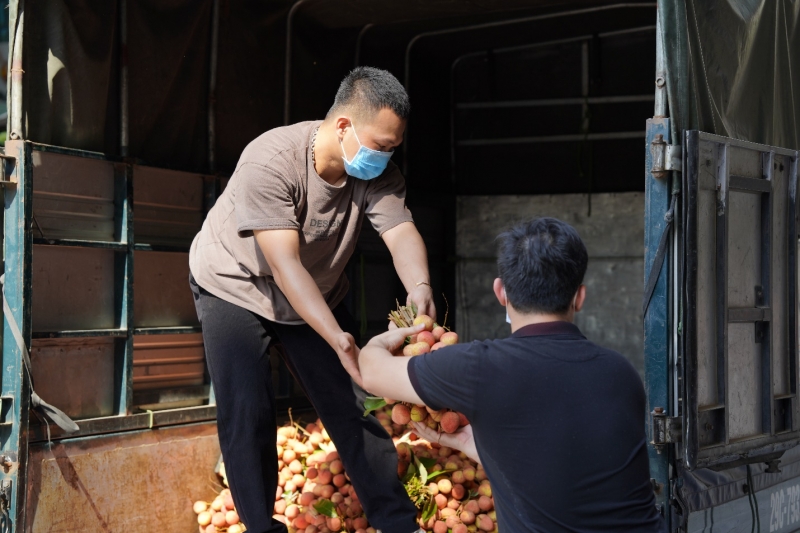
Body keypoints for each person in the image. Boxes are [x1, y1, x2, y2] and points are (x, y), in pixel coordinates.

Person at [190, 66, 435, 533]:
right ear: (344, 126)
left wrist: (420, 287)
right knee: (248, 413)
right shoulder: (271, 160)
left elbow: (401, 232)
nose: (385, 157)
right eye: (380, 145)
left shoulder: (378, 173)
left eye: (393, 148)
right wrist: (339, 339)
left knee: (351, 405)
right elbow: (285, 267)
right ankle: (262, 527)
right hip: (235, 284)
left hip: (314, 290)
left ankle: (399, 523)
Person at [359, 217, 666, 533]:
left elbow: (369, 370)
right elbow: (564, 464)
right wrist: (469, 444)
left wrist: (403, 333)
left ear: (500, 292)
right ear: (580, 297)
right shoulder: (621, 372)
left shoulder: (479, 367)